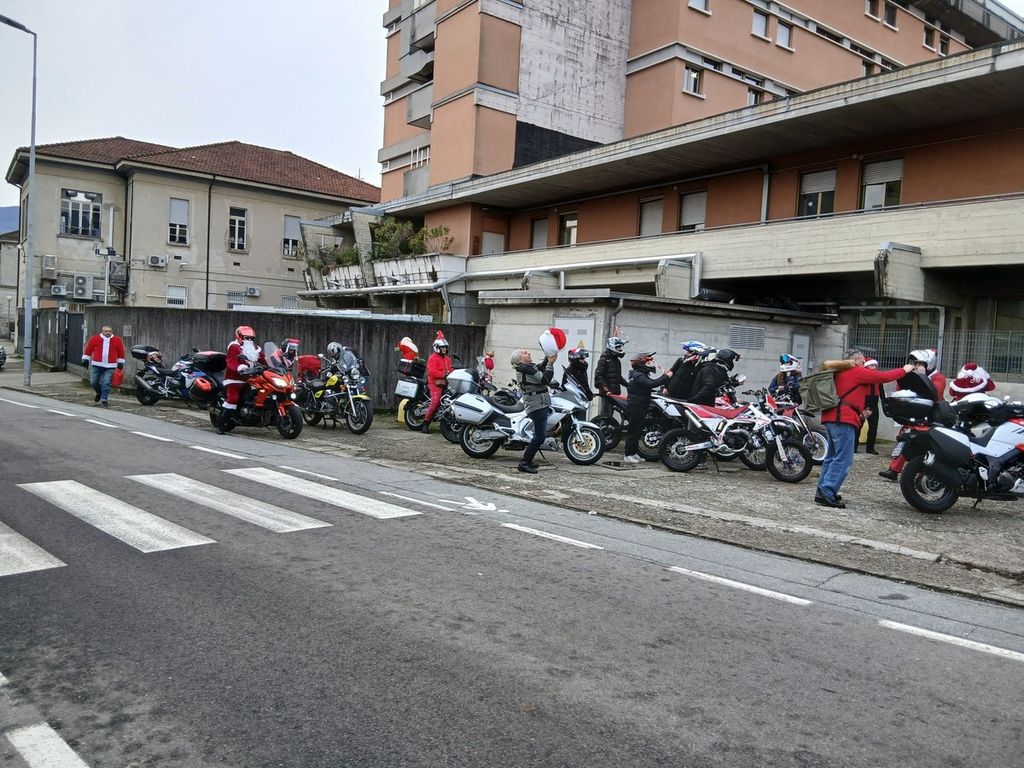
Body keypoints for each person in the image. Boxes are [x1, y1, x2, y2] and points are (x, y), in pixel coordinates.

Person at [816, 350, 914, 507]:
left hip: (831, 417)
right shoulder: (855, 370)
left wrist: (860, 413)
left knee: (832, 457)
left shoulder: (838, 372)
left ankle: (823, 490)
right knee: (843, 459)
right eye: (862, 361)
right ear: (855, 360)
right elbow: (883, 377)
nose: (864, 364)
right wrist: (905, 370)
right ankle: (827, 491)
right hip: (843, 419)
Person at [879, 349, 946, 481]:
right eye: (915, 363)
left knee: (930, 444)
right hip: (915, 412)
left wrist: (923, 377)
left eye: (920, 363)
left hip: (933, 414)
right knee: (904, 438)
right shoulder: (913, 375)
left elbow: (935, 394)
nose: (916, 366)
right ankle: (893, 469)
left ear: (928, 364)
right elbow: (902, 389)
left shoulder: (938, 377)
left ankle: (924, 473)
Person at [513, 347, 557, 473]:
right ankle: (524, 463)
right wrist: (550, 363)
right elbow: (545, 379)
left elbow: (539, 369)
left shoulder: (526, 368)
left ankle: (528, 460)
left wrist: (546, 359)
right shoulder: (526, 369)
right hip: (537, 405)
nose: (529, 353)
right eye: (525, 353)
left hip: (538, 404)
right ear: (520, 359)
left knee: (538, 435)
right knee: (539, 436)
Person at [623, 351, 671, 463]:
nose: (650, 364)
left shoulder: (640, 374)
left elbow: (648, 385)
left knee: (638, 430)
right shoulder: (638, 375)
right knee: (633, 430)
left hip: (640, 405)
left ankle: (633, 453)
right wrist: (666, 377)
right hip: (636, 405)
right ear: (641, 364)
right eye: (647, 363)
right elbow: (651, 383)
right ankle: (628, 455)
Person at [218, 325, 266, 434]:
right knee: (233, 398)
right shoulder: (234, 347)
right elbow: (231, 361)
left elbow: (263, 359)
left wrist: (274, 365)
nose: (249, 340)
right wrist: (240, 368)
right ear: (240, 337)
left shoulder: (255, 349)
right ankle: (222, 425)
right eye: (246, 337)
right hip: (235, 379)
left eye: (251, 338)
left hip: (251, 379)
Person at [81, 325, 126, 407]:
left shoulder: (117, 340)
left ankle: (104, 400)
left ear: (111, 332)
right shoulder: (95, 338)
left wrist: (121, 362)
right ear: (102, 331)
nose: (107, 333)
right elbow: (89, 349)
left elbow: (121, 352)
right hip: (97, 365)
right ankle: (99, 393)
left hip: (110, 366)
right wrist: (85, 359)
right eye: (106, 331)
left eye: (109, 331)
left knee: (106, 383)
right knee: (93, 382)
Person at [422, 331, 454, 433]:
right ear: (437, 347)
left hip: (446, 383)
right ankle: (425, 423)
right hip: (435, 383)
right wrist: (443, 374)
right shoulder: (433, 358)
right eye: (442, 347)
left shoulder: (447, 359)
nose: (444, 349)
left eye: (445, 347)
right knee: (436, 401)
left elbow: (451, 369)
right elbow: (431, 371)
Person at [594, 336, 628, 416]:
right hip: (608, 393)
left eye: (620, 347)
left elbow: (618, 376)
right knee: (606, 415)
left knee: (611, 414)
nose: (620, 349)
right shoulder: (604, 359)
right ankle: (601, 424)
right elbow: (598, 375)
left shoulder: (616, 360)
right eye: (618, 347)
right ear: (612, 346)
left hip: (614, 392)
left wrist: (628, 385)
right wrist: (606, 390)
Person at [857, 358, 880, 454]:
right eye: (872, 365)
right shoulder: (863, 376)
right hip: (863, 403)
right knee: (859, 425)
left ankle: (870, 448)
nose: (874, 367)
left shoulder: (878, 377)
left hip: (874, 404)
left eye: (875, 366)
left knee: (873, 427)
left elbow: (881, 391)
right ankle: (854, 446)